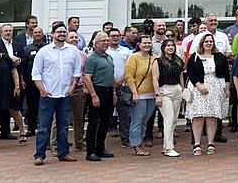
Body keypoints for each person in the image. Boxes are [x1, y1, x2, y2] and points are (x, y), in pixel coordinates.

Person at [31, 23, 84, 165]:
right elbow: (36, 73)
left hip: (65, 94)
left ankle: (63, 153)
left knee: (64, 126)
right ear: (53, 34)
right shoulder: (44, 51)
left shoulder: (73, 51)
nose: (61, 34)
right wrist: (42, 90)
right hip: (48, 95)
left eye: (63, 32)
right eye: (58, 32)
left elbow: (77, 72)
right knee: (44, 126)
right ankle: (40, 155)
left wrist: (72, 88)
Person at [185, 33, 230, 156]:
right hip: (198, 88)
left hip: (215, 88)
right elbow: (191, 72)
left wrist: (227, 87)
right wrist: (198, 85)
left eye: (211, 41)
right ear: (201, 43)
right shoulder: (195, 56)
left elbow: (226, 73)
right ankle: (197, 143)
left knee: (212, 116)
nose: (209, 43)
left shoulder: (219, 56)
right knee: (198, 116)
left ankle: (211, 142)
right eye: (206, 41)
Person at [83, 32, 117, 162]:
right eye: (103, 41)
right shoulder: (92, 58)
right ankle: (90, 151)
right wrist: (93, 96)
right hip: (97, 91)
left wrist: (114, 92)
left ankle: (100, 148)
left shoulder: (108, 57)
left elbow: (111, 76)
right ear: (96, 43)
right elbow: (87, 77)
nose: (106, 43)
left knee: (104, 122)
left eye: (107, 40)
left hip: (108, 91)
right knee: (93, 122)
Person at [151, 37, 185, 157]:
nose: (170, 48)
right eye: (168, 46)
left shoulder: (178, 61)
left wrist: (183, 91)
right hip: (164, 91)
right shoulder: (157, 61)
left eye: (172, 45)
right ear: (163, 48)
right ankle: (170, 148)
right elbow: (155, 79)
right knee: (168, 119)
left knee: (174, 119)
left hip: (177, 90)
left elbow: (181, 77)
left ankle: (166, 147)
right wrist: (157, 95)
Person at [124, 35, 157, 156]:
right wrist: (134, 93)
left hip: (152, 95)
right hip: (139, 94)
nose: (147, 45)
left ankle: (140, 143)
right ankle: (136, 145)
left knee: (145, 121)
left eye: (149, 43)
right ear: (139, 44)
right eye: (145, 43)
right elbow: (129, 76)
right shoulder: (133, 57)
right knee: (137, 121)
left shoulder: (154, 58)